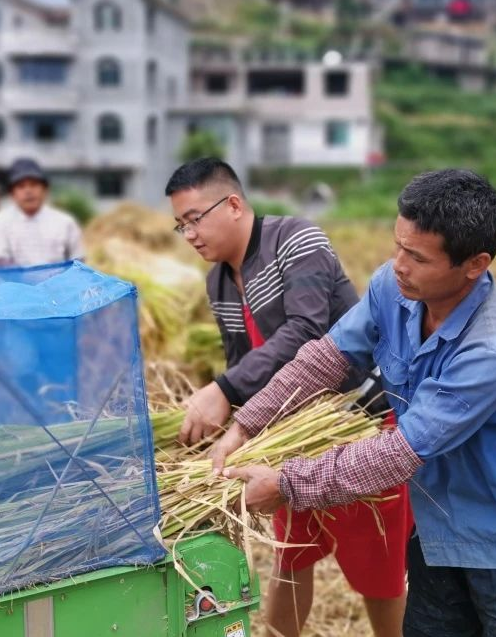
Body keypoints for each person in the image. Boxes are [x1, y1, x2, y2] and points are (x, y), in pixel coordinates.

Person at [211, 169, 496, 637]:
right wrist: (246, 424)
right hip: (436, 536)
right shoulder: (394, 288)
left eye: (418, 257)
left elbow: (396, 454)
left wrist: (286, 484)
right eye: (398, 246)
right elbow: (326, 358)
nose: (399, 264)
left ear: (475, 264)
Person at [165, 159, 411, 637]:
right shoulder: (219, 281)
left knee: (378, 573)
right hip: (289, 441)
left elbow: (308, 332)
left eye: (194, 218)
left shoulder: (296, 241)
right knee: (291, 557)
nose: (189, 234)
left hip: (355, 427)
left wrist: (223, 389)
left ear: (233, 204)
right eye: (180, 225)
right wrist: (226, 428)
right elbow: (243, 363)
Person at [0, 158, 84, 268]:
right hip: (15, 279)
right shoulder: (0, 222)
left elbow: (78, 263)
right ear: (12, 194)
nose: (28, 191)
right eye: (21, 186)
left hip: (58, 279)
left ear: (45, 190)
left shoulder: (66, 223)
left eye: (33, 185)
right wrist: (28, 275)